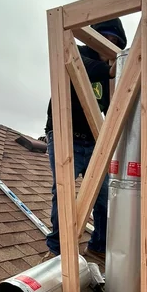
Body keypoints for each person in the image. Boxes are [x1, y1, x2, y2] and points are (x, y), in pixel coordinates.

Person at [44, 19, 127, 262]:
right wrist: (116, 67)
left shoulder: (108, 71)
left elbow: (113, 108)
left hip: (93, 142)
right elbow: (85, 67)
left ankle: (98, 247)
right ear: (95, 38)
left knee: (104, 195)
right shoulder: (77, 54)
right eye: (106, 40)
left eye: (115, 43)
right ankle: (58, 251)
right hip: (64, 136)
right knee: (64, 194)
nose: (110, 46)